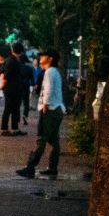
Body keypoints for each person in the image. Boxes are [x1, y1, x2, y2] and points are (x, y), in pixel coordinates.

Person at [17, 50, 67, 179]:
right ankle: (52, 168)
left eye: (43, 56)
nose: (40, 58)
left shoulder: (50, 72)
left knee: (42, 139)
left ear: (50, 59)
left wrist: (45, 105)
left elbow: (49, 90)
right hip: (56, 108)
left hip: (50, 109)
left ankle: (30, 167)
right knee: (54, 140)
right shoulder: (54, 72)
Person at [1, 43, 30, 136]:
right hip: (11, 89)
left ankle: (15, 128)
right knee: (9, 108)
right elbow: (6, 75)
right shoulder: (12, 61)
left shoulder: (12, 60)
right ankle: (5, 129)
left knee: (15, 109)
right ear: (20, 52)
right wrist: (2, 85)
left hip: (15, 89)